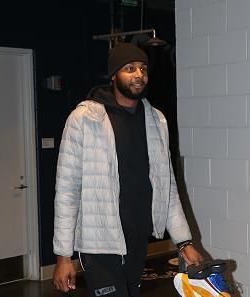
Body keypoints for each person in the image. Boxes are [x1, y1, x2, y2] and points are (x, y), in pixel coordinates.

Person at [52, 42, 203, 297]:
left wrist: (184, 242)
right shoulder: (85, 120)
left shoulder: (156, 120)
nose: (138, 75)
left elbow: (167, 188)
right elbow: (67, 190)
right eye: (129, 68)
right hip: (99, 244)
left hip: (136, 238)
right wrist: (63, 256)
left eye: (143, 68)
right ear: (114, 75)